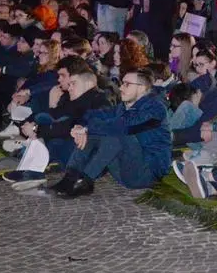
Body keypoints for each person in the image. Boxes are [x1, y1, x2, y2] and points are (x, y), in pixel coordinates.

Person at [49, 68, 171, 197]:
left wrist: (88, 128)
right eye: (122, 83)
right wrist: (81, 127)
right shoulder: (122, 107)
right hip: (124, 173)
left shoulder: (156, 108)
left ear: (142, 88)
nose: (121, 88)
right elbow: (94, 115)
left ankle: (87, 180)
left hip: (149, 173)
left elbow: (125, 126)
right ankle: (69, 179)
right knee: (95, 131)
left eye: (127, 84)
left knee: (115, 133)